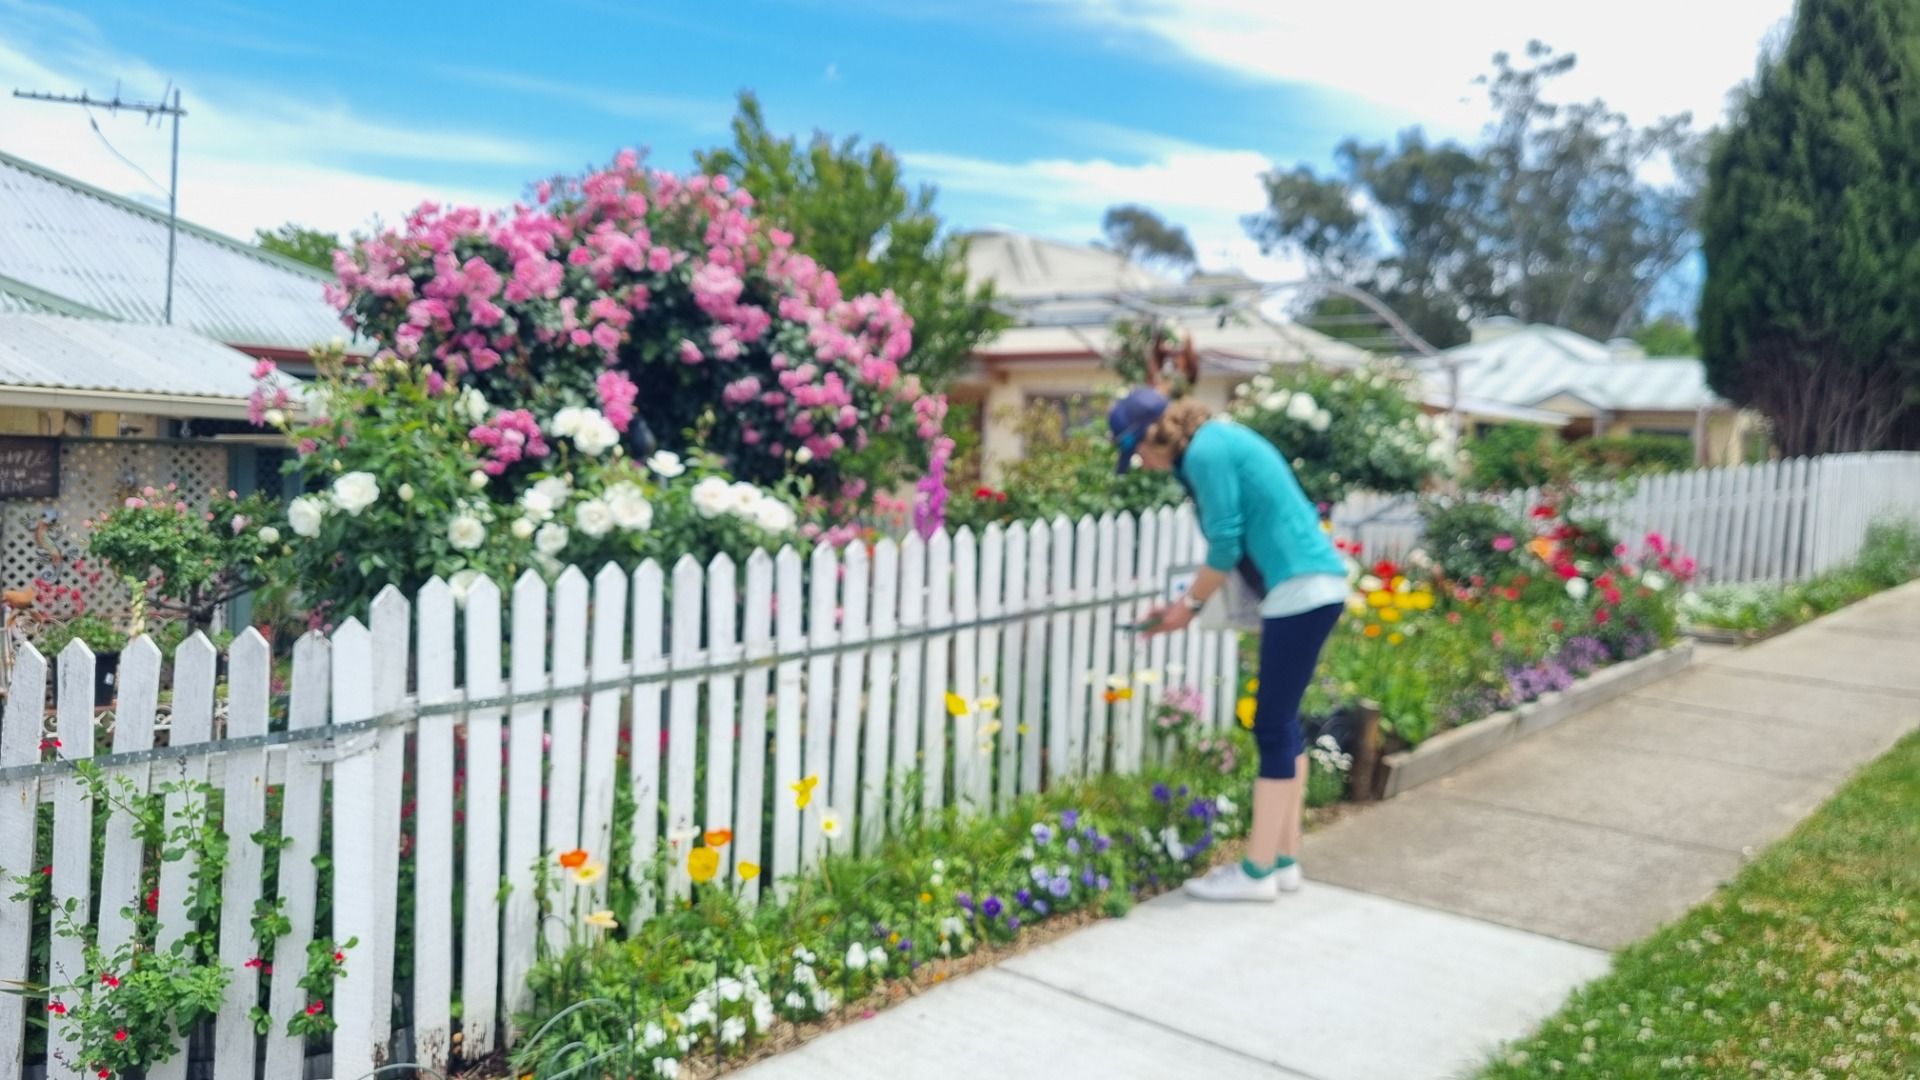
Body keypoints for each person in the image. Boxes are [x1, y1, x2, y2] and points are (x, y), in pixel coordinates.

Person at [1111, 387, 1346, 902]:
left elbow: (1225, 543)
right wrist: (1181, 605)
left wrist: (1187, 607)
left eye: (1139, 452)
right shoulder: (1215, 442)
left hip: (1299, 588)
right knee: (1282, 725)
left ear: (1155, 432)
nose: (1144, 465)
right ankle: (1283, 862)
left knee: (1270, 725)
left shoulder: (1204, 452)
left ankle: (1257, 873)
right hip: (1311, 587)